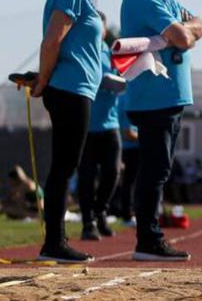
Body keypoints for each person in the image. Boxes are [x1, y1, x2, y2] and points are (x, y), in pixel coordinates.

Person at [121, 0, 202, 261]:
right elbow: (185, 37)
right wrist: (185, 34)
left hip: (168, 97)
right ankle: (148, 240)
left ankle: (149, 237)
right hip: (153, 97)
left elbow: (200, 25)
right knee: (153, 172)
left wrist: (186, 32)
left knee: (158, 170)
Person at [31, 0, 110, 262]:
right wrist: (43, 80)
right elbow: (52, 40)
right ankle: (55, 243)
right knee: (64, 167)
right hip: (69, 89)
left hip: (75, 89)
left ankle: (55, 241)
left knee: (66, 165)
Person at [77, 19, 122, 241]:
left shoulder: (111, 52)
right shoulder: (83, 49)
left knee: (113, 172)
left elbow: (124, 75)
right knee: (86, 176)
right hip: (87, 125)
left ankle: (101, 210)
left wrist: (119, 81)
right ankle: (88, 222)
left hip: (110, 123)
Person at [112, 91, 139, 225]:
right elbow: (128, 133)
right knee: (130, 182)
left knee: (129, 182)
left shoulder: (125, 97)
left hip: (130, 147)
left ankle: (128, 212)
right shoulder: (127, 99)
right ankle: (128, 214)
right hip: (131, 148)